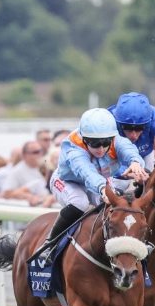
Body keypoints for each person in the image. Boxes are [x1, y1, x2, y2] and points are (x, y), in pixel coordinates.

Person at [36, 108, 148, 263]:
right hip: (69, 182)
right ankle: (49, 243)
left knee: (115, 205)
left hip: (99, 180)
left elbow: (130, 151)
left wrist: (136, 163)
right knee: (79, 202)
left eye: (105, 143)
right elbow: (88, 173)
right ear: (85, 139)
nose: (101, 149)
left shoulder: (116, 140)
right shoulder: (74, 148)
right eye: (95, 143)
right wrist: (103, 189)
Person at [107, 92, 155, 170]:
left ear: (147, 122)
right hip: (119, 157)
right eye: (127, 128)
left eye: (139, 128)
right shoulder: (109, 119)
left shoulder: (152, 116)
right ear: (118, 122)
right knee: (122, 182)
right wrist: (127, 174)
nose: (133, 135)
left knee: (151, 174)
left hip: (146, 153)